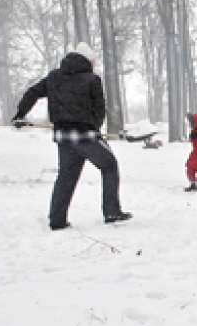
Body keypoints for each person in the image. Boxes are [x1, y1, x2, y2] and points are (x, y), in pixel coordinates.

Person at [12, 42, 132, 229]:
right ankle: (112, 212)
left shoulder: (54, 77)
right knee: (109, 166)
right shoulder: (92, 80)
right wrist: (96, 128)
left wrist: (20, 114)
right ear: (88, 61)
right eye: (93, 61)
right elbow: (100, 109)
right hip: (86, 136)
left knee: (66, 176)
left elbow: (32, 93)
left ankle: (57, 220)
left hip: (63, 137)